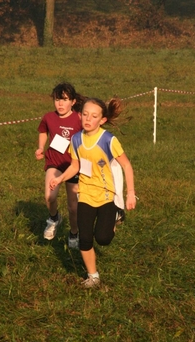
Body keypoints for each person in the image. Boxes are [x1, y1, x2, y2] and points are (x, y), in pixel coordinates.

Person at [49, 97, 136, 288]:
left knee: (103, 239)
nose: (88, 119)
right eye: (85, 114)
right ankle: (93, 276)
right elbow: (75, 166)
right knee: (85, 238)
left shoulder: (108, 140)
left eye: (94, 116)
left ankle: (115, 215)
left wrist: (130, 193)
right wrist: (59, 178)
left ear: (102, 120)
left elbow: (127, 166)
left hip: (106, 195)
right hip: (86, 194)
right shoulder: (76, 139)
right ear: (80, 115)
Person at [35, 82, 85, 248]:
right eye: (57, 100)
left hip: (74, 166)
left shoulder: (79, 118)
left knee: (73, 208)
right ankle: (54, 218)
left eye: (64, 100)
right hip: (54, 163)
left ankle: (74, 233)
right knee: (50, 196)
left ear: (73, 101)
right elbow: (43, 131)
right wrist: (41, 148)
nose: (60, 104)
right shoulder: (49, 117)